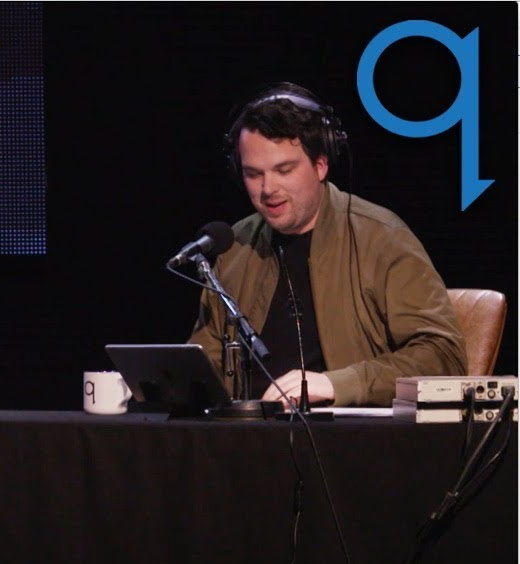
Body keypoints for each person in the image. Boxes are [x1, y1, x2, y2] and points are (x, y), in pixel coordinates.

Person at [188, 82, 465, 408]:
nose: (267, 189)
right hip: (249, 442)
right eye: (253, 174)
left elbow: (443, 356)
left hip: (347, 442)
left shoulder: (382, 237)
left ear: (321, 165)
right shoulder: (235, 247)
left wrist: (336, 383)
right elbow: (205, 360)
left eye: (284, 169)